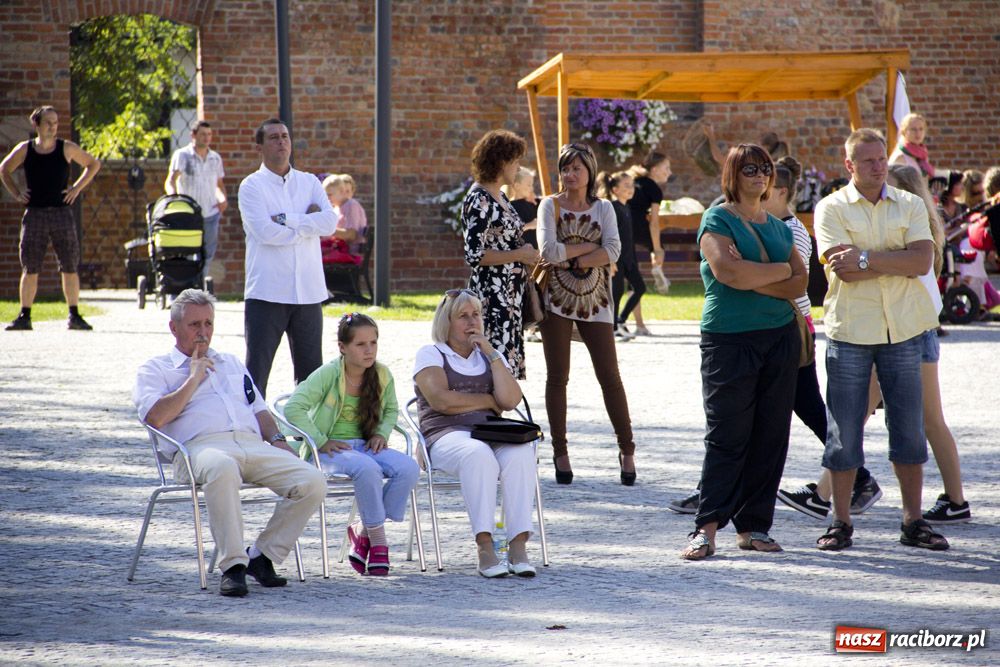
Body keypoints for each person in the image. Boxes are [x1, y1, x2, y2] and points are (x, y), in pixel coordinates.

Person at [133, 289, 327, 597]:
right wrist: (192, 378)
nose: (203, 331)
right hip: (198, 449)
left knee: (313, 479)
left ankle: (262, 557)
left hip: (251, 444)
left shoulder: (231, 362)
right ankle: (233, 566)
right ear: (174, 328)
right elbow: (155, 418)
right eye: (194, 324)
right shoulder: (156, 369)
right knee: (222, 467)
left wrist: (278, 441)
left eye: (208, 323)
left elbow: (259, 409)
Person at [814, 128, 948, 552]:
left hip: (904, 331)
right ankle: (840, 521)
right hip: (851, 331)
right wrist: (894, 260)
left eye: (881, 159)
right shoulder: (830, 208)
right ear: (849, 165)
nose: (878, 167)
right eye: (868, 161)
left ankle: (913, 520)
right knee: (844, 432)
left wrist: (865, 257)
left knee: (908, 429)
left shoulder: (910, 203)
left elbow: (922, 261)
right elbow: (842, 270)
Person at [679, 144, 805, 560]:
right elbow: (727, 271)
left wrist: (755, 277)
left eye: (765, 168)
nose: (760, 174)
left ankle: (754, 527)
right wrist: (777, 273)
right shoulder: (717, 218)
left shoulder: (780, 228)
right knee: (726, 435)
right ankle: (706, 528)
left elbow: (800, 283)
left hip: (779, 338)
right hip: (729, 340)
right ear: (732, 174)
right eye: (749, 168)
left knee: (771, 435)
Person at [413, 289, 538, 578]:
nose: (472, 322)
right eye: (463, 316)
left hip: (489, 432)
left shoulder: (490, 356)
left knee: (521, 452)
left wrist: (492, 355)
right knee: (477, 454)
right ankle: (485, 545)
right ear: (446, 322)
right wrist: (487, 400)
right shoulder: (431, 353)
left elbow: (509, 401)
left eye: (477, 315)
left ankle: (518, 544)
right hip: (444, 435)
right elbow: (442, 401)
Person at [284, 313, 419, 575]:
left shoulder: (382, 374)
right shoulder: (328, 374)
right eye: (360, 344)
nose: (369, 350)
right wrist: (321, 441)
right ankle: (378, 541)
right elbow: (293, 408)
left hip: (366, 445)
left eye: (373, 343)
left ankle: (363, 530)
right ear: (342, 347)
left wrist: (381, 433)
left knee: (409, 468)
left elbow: (391, 409)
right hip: (331, 451)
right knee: (367, 468)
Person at [537, 143, 636, 486]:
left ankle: (627, 448)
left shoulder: (604, 207)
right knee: (557, 376)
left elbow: (614, 250)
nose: (570, 174)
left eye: (576, 168)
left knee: (610, 376)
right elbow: (548, 251)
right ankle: (560, 451)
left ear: (590, 171)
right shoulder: (549, 205)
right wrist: (591, 249)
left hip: (597, 301)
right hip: (556, 301)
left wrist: (574, 259)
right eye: (565, 168)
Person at [238, 118, 338, 397]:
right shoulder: (251, 186)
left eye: (285, 136)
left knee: (311, 377)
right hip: (267, 292)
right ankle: (251, 423)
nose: (281, 141)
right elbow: (264, 232)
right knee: (256, 373)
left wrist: (287, 220)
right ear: (259, 147)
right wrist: (308, 227)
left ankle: (306, 425)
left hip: (308, 292)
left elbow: (330, 223)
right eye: (273, 137)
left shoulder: (309, 182)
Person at [1, 105, 101, 331]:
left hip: (61, 213)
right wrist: (17, 193)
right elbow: (4, 169)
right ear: (36, 124)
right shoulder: (25, 149)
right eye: (48, 122)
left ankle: (74, 315)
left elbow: (93, 164)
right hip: (34, 213)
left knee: (69, 264)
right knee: (30, 265)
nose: (52, 127)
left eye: (55, 123)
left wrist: (76, 188)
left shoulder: (66, 148)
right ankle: (25, 315)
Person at [461, 130, 539, 380]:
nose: (518, 167)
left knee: (506, 368)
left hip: (510, 295)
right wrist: (520, 254)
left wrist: (527, 255)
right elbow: (474, 254)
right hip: (492, 297)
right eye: (515, 161)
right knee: (492, 369)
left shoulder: (501, 197)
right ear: (501, 161)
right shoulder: (479, 199)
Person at [164, 120, 227, 276]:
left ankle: (200, 284)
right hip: (188, 214)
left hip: (210, 213)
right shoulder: (182, 155)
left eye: (209, 134)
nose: (207, 138)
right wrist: (174, 198)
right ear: (193, 135)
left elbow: (218, 185)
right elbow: (171, 181)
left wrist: (222, 199)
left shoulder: (215, 158)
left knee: (207, 254)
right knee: (187, 251)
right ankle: (186, 283)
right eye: (203, 134)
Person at [597, 170, 647, 340]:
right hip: (616, 259)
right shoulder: (613, 208)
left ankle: (620, 320)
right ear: (615, 189)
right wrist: (610, 260)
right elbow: (606, 235)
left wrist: (632, 258)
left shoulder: (626, 207)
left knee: (640, 288)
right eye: (626, 185)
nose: (630, 189)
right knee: (616, 293)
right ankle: (612, 328)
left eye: (632, 185)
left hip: (628, 259)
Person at [626, 152, 672, 322]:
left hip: (621, 225)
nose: (669, 172)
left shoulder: (633, 180)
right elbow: (654, 222)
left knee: (632, 276)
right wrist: (657, 249)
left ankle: (638, 323)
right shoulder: (654, 189)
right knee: (658, 248)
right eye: (666, 168)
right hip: (637, 225)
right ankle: (657, 267)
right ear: (654, 170)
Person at [322, 173, 367, 258]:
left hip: (350, 253)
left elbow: (352, 235)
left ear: (342, 192)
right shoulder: (336, 208)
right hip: (337, 249)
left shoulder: (351, 205)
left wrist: (325, 229)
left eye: (329, 195)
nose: (327, 198)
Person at [889, 112, 934, 179]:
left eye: (921, 129)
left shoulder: (922, 154)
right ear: (904, 131)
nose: (918, 133)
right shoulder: (900, 156)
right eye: (913, 129)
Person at [504, 166, 539, 249]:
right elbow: (510, 230)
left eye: (532, 185)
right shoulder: (510, 206)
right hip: (521, 251)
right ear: (517, 186)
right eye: (529, 185)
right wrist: (530, 225)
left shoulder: (530, 203)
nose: (532, 188)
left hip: (534, 251)